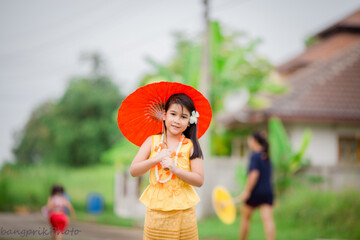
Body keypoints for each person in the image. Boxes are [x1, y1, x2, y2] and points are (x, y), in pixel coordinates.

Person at [130, 93, 205, 240]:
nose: (177, 120)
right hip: (157, 214)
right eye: (173, 114)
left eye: (183, 117)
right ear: (164, 115)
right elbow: (134, 170)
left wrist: (174, 169)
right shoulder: (151, 141)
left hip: (184, 213)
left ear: (190, 121)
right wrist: (156, 159)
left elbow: (199, 180)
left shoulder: (190, 146)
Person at [237, 132, 276, 240]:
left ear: (255, 141)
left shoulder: (254, 156)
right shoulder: (266, 155)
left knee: (245, 219)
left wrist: (247, 191)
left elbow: (254, 175)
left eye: (249, 140)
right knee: (268, 220)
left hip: (255, 192)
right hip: (267, 192)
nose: (249, 142)